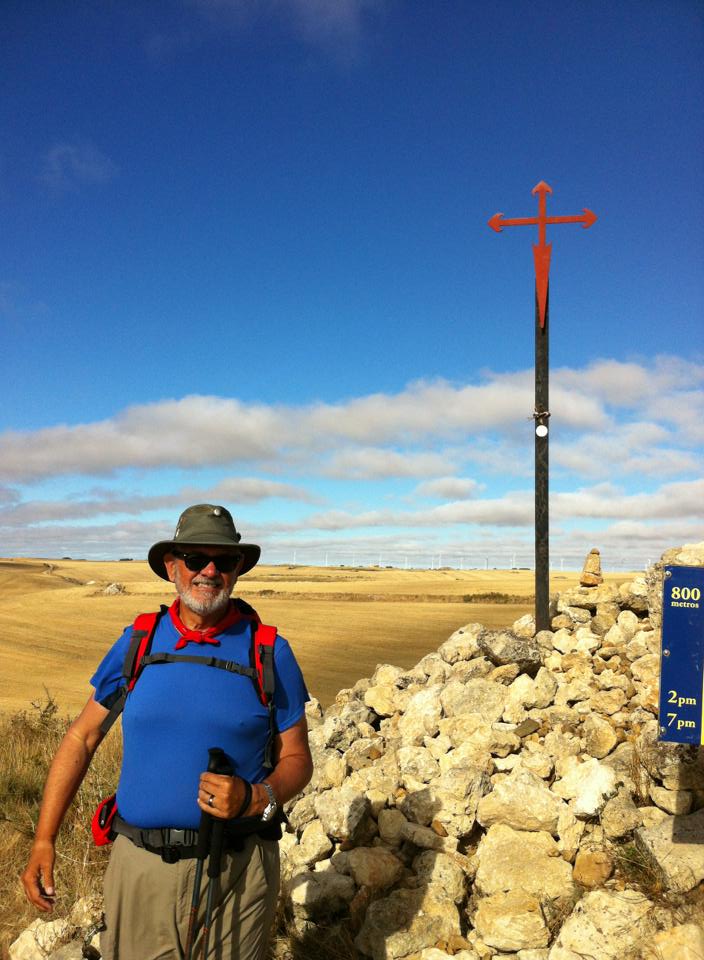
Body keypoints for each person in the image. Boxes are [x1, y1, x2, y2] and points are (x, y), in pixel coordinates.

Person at [22, 504, 313, 960]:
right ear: (173, 567)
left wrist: (256, 799)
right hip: (141, 869)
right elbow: (82, 737)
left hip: (239, 870)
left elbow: (297, 759)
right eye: (196, 559)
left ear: (238, 570)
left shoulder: (270, 651)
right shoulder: (138, 640)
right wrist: (44, 839)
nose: (210, 571)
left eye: (224, 560)